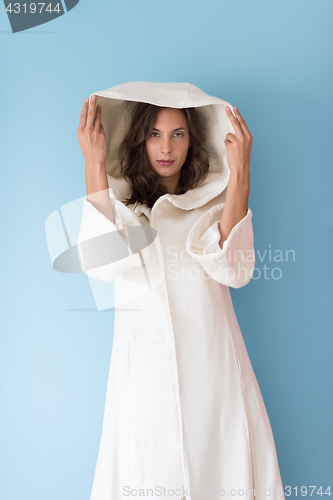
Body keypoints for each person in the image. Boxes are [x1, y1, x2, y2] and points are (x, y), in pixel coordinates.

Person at [76, 81, 284, 500]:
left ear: (193, 141)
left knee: (224, 471)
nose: (165, 147)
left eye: (178, 134)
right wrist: (93, 164)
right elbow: (100, 263)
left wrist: (240, 171)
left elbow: (236, 270)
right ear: (139, 140)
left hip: (214, 375)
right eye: (154, 134)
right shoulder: (121, 213)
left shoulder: (211, 207)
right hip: (144, 381)